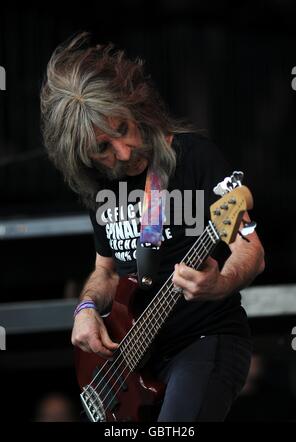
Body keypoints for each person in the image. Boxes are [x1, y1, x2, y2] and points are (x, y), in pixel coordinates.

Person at [40, 32, 265, 421]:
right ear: (81, 157)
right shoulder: (101, 189)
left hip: (203, 338)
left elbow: (251, 250)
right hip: (132, 365)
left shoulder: (195, 158)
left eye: (122, 129)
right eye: (103, 148)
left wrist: (220, 283)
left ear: (135, 109)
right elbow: (106, 271)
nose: (124, 152)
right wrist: (87, 306)